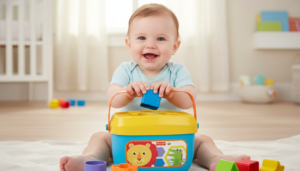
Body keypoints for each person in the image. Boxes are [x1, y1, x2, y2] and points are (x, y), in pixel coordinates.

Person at [59, 3, 250, 171]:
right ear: (129, 44)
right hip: (130, 135)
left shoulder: (177, 71)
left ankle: (216, 159)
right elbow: (113, 99)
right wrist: (128, 91)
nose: (150, 44)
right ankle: (90, 159)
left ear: (175, 46)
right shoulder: (126, 70)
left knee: (202, 140)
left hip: (172, 134)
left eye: (160, 39)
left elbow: (188, 99)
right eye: (141, 38)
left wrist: (171, 93)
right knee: (101, 137)